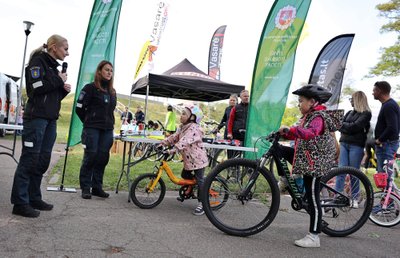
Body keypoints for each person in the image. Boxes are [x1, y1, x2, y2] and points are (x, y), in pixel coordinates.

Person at [10, 34, 71, 217]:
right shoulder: (37, 63)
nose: (67, 53)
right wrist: (58, 81)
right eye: (65, 48)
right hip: (36, 119)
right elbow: (36, 88)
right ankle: (20, 203)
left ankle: (33, 197)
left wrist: (62, 90)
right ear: (53, 47)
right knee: (29, 160)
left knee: (42, 161)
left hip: (50, 119)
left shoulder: (53, 68)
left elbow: (50, 96)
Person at [278, 84, 342, 248]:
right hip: (306, 158)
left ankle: (314, 237)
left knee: (313, 198)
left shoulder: (318, 117)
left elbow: (310, 133)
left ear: (312, 101)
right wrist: (284, 132)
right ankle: (285, 178)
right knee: (278, 150)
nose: (299, 104)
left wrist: (291, 129)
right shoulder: (308, 116)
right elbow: (298, 131)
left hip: (315, 164)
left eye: (301, 101)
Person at [75, 60, 117, 199]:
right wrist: (88, 122)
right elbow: (79, 109)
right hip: (92, 129)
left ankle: (97, 187)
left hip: (107, 130)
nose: (109, 72)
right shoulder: (89, 88)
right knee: (91, 156)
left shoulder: (112, 92)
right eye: (106, 70)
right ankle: (86, 187)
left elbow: (111, 111)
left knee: (102, 157)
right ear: (99, 71)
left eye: (111, 70)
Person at [159, 104, 208, 216]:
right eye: (181, 113)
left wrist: (174, 149)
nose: (181, 116)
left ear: (192, 117)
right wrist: (163, 143)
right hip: (189, 160)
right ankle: (192, 188)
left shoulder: (195, 129)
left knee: (200, 181)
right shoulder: (182, 127)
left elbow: (185, 141)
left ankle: (203, 203)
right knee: (185, 175)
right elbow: (174, 137)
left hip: (198, 160)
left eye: (184, 114)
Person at [336, 91, 371, 208]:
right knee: (340, 171)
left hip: (356, 145)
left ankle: (355, 198)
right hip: (344, 143)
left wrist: (345, 126)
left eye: (351, 99)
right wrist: (348, 127)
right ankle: (338, 196)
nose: (350, 101)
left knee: (353, 172)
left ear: (357, 99)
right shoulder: (349, 112)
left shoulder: (366, 114)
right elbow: (339, 126)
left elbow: (355, 126)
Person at [373, 81, 400, 172]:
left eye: (374, 90)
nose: (372, 93)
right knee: (384, 175)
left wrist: (379, 140)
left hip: (387, 145)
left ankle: (389, 187)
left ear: (379, 91)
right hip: (387, 144)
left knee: (385, 175)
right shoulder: (388, 104)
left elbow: (392, 127)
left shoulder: (389, 106)